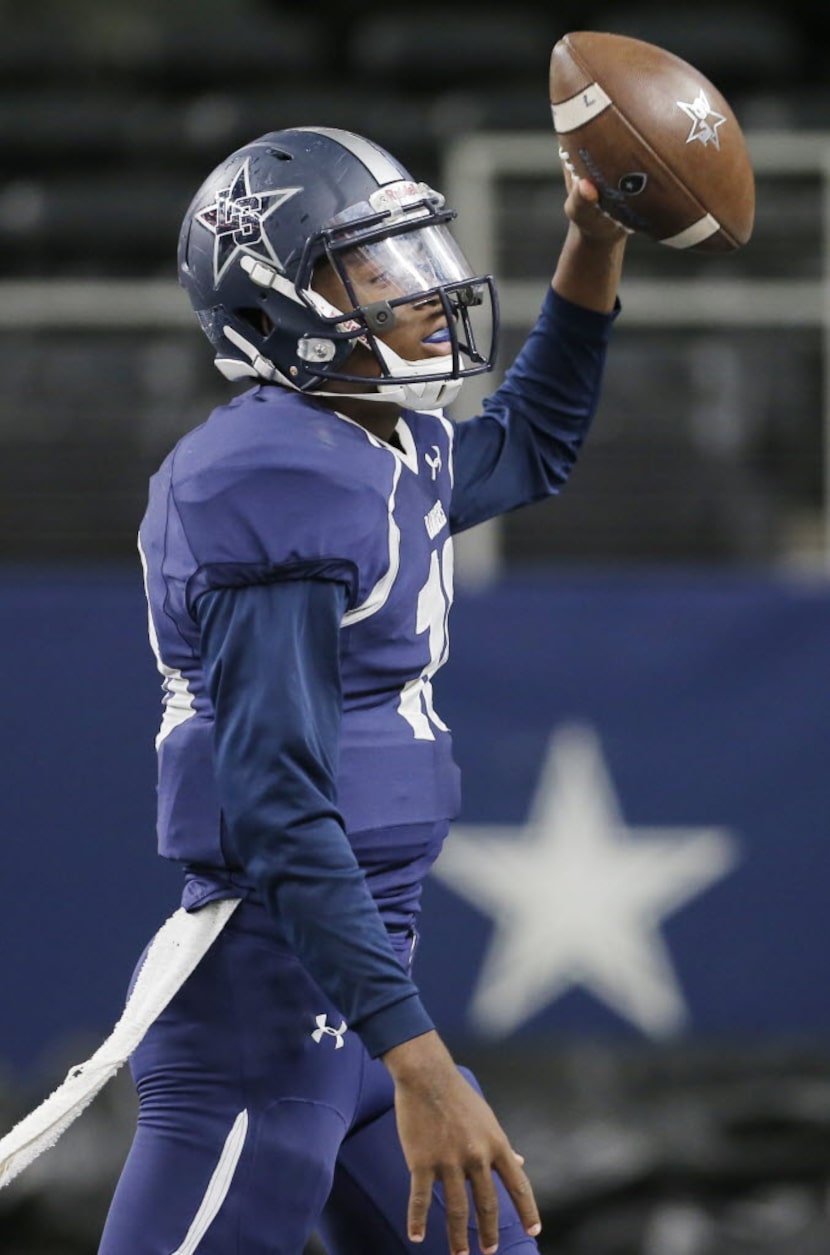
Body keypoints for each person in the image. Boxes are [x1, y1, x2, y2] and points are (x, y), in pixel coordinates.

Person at [98, 125, 628, 1255]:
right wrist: (420, 1055)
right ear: (274, 305)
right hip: (263, 1012)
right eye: (377, 268)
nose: (428, 291)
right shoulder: (274, 474)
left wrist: (591, 243)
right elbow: (276, 805)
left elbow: (531, 443)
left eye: (415, 252)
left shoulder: (384, 440)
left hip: (351, 1002)